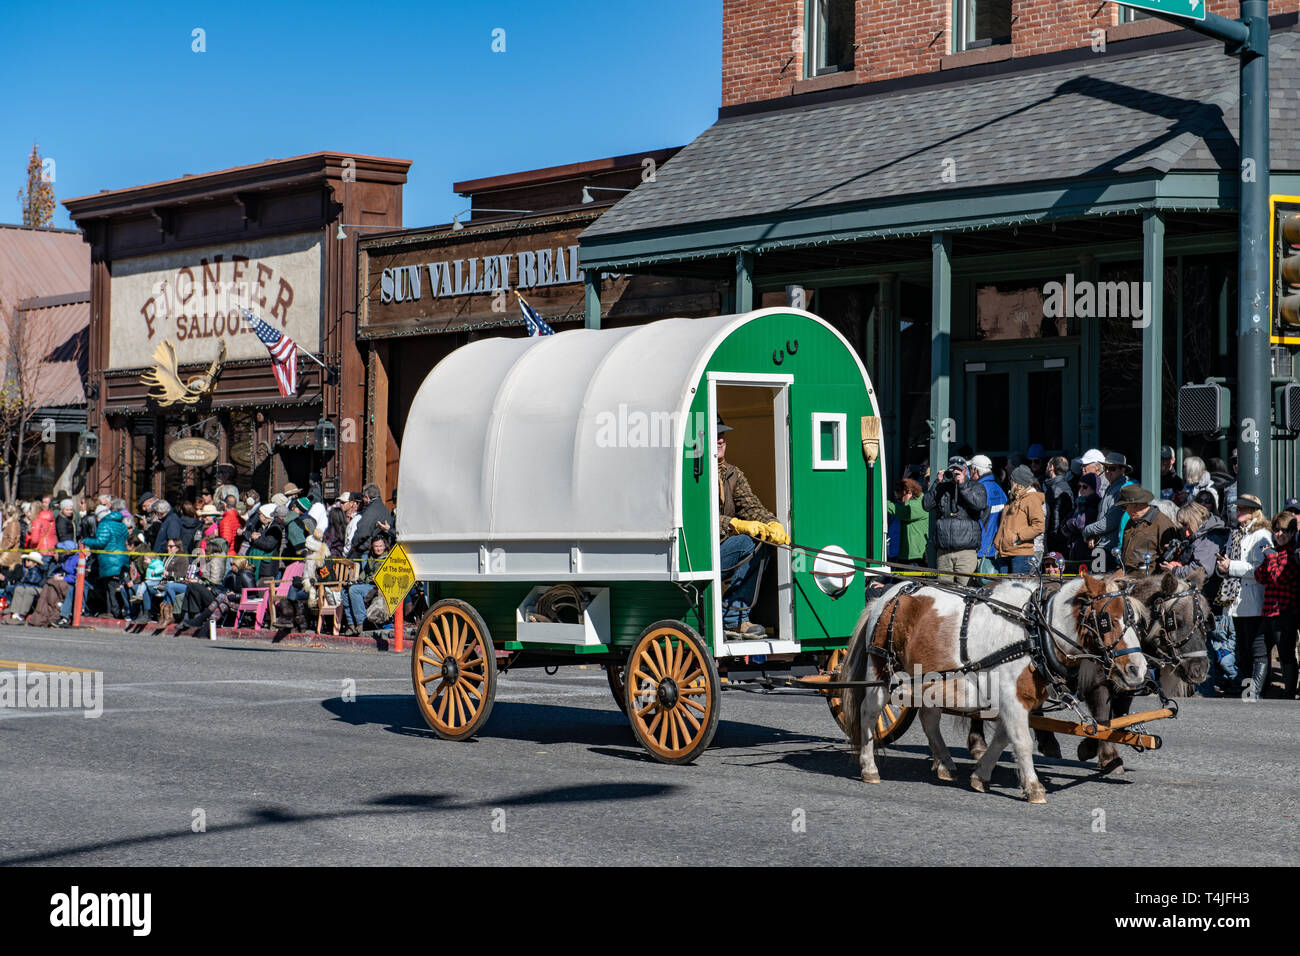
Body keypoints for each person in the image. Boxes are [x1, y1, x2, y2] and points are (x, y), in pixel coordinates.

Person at [714, 417, 788, 638]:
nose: (720, 440)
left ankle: (736, 617)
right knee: (748, 541)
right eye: (714, 435)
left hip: (723, 548)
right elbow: (698, 518)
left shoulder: (732, 473)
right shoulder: (693, 472)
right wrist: (734, 525)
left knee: (763, 540)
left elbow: (751, 506)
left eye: (722, 436)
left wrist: (772, 523)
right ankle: (732, 617)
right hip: (701, 554)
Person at [1216, 494, 1273, 699]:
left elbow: (1260, 568)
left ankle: (1256, 691)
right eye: (1238, 508)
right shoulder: (1235, 533)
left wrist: (1231, 566)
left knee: (1257, 648)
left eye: (1244, 508)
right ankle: (1250, 690)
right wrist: (1223, 567)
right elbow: (1230, 562)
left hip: (1254, 599)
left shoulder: (1262, 534)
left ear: (1254, 512)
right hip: (1236, 599)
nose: (1239, 511)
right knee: (1244, 649)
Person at [1252, 512, 1300, 699]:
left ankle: (1288, 694)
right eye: (1277, 530)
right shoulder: (1275, 552)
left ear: (1293, 531)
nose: (1280, 534)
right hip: (1269, 610)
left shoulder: (1293, 553)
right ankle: (1255, 692)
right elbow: (1259, 576)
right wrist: (1270, 558)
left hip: (1285, 611)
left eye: (1285, 531)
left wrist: (1270, 556)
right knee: (1259, 650)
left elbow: (1277, 577)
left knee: (1286, 654)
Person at [921, 455, 987, 585]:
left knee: (966, 590)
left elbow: (979, 504)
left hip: (966, 553)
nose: (954, 474)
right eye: (952, 470)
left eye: (958, 471)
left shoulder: (975, 486)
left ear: (965, 471)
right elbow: (926, 505)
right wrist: (936, 483)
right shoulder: (942, 486)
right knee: (944, 592)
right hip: (944, 553)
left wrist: (962, 485)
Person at [1082, 452, 1135, 570]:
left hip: (1111, 548)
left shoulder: (1122, 489)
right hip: (1104, 545)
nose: (1107, 471)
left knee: (1102, 584)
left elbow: (1110, 522)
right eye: (1105, 468)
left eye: (1112, 468)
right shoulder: (1111, 487)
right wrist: (1093, 535)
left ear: (1123, 470)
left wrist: (1087, 531)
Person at [994, 465, 1045, 574]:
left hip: (1021, 555)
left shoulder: (1031, 499)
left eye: (1011, 479)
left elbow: (1039, 526)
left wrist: (1018, 537)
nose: (1010, 482)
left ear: (1018, 482)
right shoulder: (1012, 500)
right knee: (1004, 588)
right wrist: (997, 542)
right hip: (1005, 553)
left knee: (1016, 589)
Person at [1116, 484, 1178, 572]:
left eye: (1124, 507)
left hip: (1149, 581)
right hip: (1128, 577)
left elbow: (1170, 557)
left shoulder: (1163, 523)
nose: (1125, 510)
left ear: (1134, 505)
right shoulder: (1131, 522)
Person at [343, 533, 391, 635]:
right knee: (345, 590)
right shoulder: (371, 557)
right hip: (368, 584)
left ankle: (362, 623)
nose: (378, 549)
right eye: (376, 546)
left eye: (380, 546)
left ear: (385, 546)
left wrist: (377, 578)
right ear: (372, 547)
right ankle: (351, 624)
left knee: (354, 590)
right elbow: (364, 573)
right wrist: (356, 580)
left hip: (378, 587)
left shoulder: (388, 558)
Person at [968, 454, 1005, 577]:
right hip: (996, 549)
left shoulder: (978, 490)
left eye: (969, 469)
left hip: (980, 550)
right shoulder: (999, 490)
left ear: (975, 470)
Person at [888, 478, 928, 566]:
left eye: (901, 498)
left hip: (915, 557)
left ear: (909, 492)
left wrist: (884, 503)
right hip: (902, 555)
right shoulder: (906, 504)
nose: (901, 501)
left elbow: (904, 513)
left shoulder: (921, 503)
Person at [348, 484, 394, 559]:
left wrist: (354, 545)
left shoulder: (371, 510)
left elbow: (362, 531)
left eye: (364, 497)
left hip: (368, 552)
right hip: (382, 550)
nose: (363, 499)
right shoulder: (384, 508)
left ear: (367, 498)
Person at [1042, 456, 1074, 556]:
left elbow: (1055, 519)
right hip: (1062, 538)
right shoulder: (1064, 485)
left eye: (1047, 465)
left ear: (1051, 467)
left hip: (1056, 542)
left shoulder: (1055, 489)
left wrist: (1051, 542)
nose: (1046, 467)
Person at [8, 552, 47, 621]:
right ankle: (15, 611)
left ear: (35, 563)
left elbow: (32, 581)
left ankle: (22, 613)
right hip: (29, 586)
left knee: (28, 590)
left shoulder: (36, 570)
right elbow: (23, 581)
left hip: (37, 588)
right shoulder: (27, 570)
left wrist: (22, 583)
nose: (26, 561)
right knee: (19, 589)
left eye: (29, 560)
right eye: (26, 560)